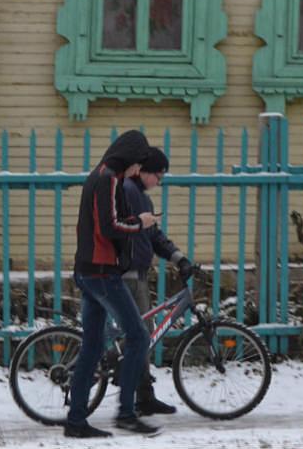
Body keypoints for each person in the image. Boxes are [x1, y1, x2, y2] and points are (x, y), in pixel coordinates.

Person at [65, 129, 160, 439]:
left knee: (92, 346)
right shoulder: (107, 178)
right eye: (137, 164)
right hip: (102, 273)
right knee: (138, 337)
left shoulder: (103, 175)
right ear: (129, 158)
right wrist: (140, 223)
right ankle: (126, 413)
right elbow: (110, 227)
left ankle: (76, 421)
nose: (137, 171)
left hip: (90, 271)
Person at [121, 147, 195, 417]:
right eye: (158, 175)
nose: (159, 181)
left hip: (136, 273)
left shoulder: (139, 196)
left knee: (142, 334)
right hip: (128, 275)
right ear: (145, 170)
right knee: (141, 336)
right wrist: (179, 259)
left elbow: (152, 235)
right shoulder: (130, 192)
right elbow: (132, 230)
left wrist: (178, 257)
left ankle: (143, 395)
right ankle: (137, 398)